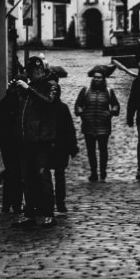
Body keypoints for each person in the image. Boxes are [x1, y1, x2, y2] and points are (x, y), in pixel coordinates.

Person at [12, 56, 59, 229]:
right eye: (32, 71)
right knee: (27, 178)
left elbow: (48, 102)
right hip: (25, 140)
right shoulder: (28, 87)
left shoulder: (51, 85)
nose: (34, 74)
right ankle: (30, 213)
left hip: (41, 140)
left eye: (37, 71)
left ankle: (48, 213)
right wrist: (16, 90)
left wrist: (28, 89)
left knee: (42, 177)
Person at [74, 65, 120, 182]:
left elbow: (115, 105)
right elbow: (78, 104)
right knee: (91, 151)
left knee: (103, 150)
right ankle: (93, 172)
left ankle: (103, 171)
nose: (96, 79)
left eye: (99, 78)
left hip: (103, 125)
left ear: (103, 79)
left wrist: (111, 112)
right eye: (95, 77)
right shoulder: (86, 91)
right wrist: (81, 112)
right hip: (88, 125)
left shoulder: (109, 92)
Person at [0, 81, 23, 214]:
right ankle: (16, 204)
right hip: (16, 141)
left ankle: (7, 205)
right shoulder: (21, 101)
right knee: (17, 173)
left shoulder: (6, 101)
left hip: (6, 141)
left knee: (10, 172)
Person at [53, 84, 79, 215]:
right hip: (48, 145)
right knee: (49, 175)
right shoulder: (43, 107)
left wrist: (72, 146)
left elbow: (69, 128)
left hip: (60, 147)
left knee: (59, 174)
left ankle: (60, 202)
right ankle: (52, 202)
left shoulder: (62, 108)